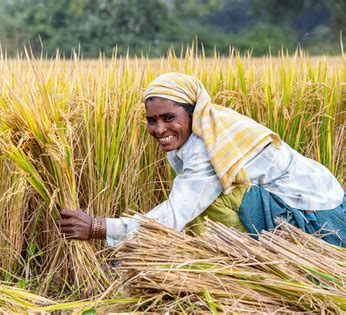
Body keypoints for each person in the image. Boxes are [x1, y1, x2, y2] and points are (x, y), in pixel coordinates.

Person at [57, 73, 345, 247]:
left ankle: (237, 265)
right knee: (204, 199)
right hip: (327, 212)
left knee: (210, 203)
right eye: (151, 120)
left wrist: (98, 227)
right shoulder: (210, 126)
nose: (159, 130)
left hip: (322, 227)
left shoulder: (209, 148)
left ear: (193, 113)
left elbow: (174, 215)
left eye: (169, 118)